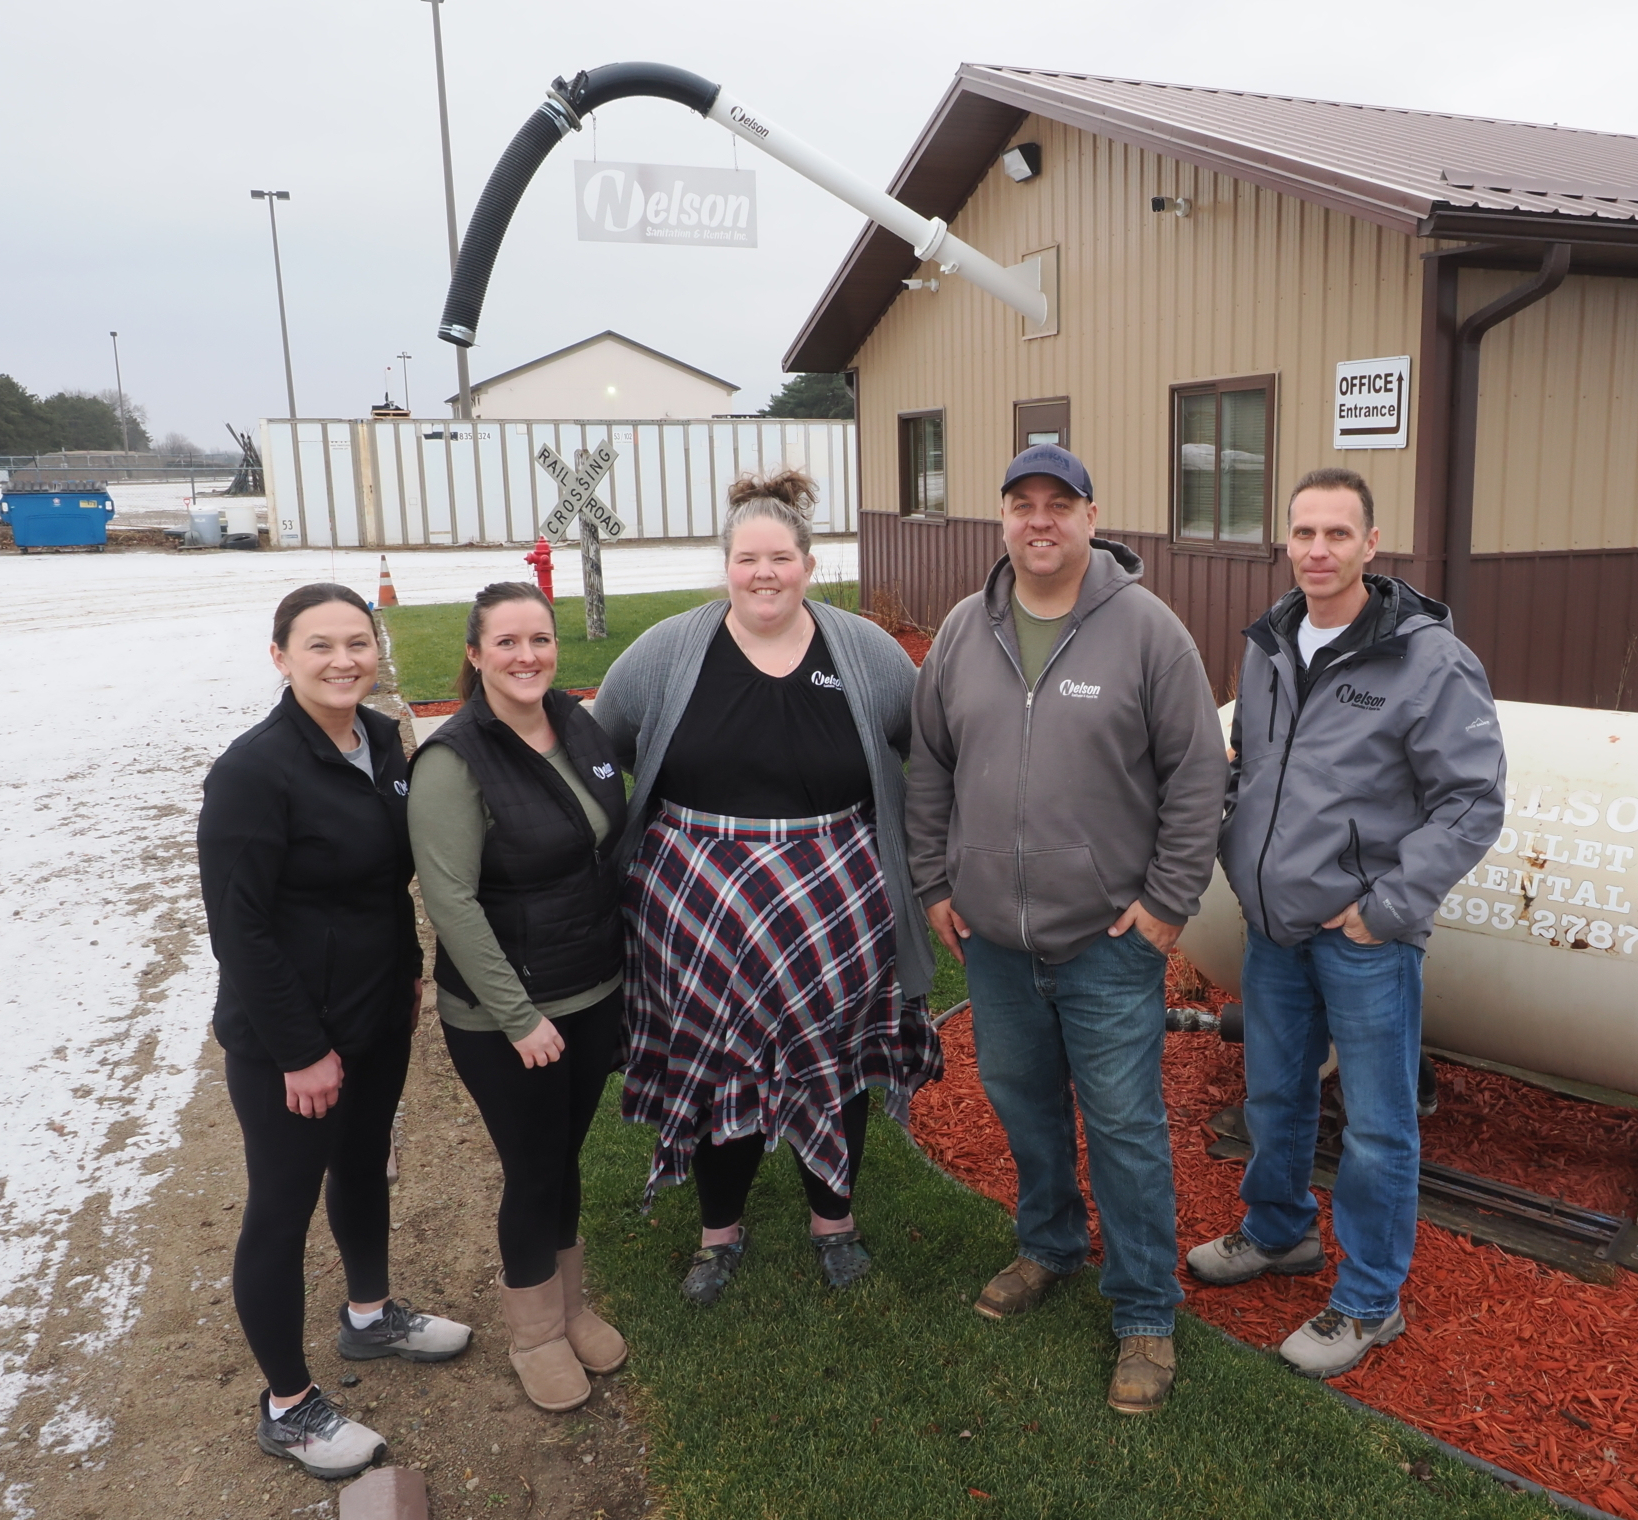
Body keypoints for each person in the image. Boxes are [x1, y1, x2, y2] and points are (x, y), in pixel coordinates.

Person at [905, 444, 1227, 1416]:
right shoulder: (965, 630)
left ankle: (1145, 1310)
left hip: (1107, 943)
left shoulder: (1147, 632)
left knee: (1124, 1127)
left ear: (1091, 516)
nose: (1038, 521)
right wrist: (934, 882)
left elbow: (1197, 777)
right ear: (1001, 519)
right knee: (1025, 1107)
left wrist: (1166, 906)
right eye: (1021, 504)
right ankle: (1048, 1244)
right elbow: (930, 766)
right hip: (994, 943)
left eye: (1058, 504)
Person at [592, 471, 942, 1304]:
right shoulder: (667, 651)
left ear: (808, 565)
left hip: (838, 895)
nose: (763, 574)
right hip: (695, 902)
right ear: (726, 566)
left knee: (834, 1061)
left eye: (780, 558)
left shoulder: (864, 652)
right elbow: (604, 743)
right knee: (717, 1064)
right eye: (747, 559)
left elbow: (924, 746)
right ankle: (718, 1233)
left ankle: (834, 1224)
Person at [1188, 468, 1504, 1377]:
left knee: (1375, 1125)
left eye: (1337, 533)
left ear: (1371, 544)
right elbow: (1252, 764)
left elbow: (1473, 801)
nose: (1318, 550)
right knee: (1274, 1095)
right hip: (1275, 927)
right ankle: (1278, 1231)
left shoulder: (1427, 659)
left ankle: (1370, 1301)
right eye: (1303, 532)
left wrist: (1387, 909)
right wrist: (1236, 849)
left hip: (1364, 938)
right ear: (1285, 541)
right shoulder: (1271, 642)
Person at [198, 583, 470, 1482]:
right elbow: (239, 929)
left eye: (358, 641)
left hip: (375, 1011)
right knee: (282, 1207)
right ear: (280, 656)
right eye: (319, 645)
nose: (344, 660)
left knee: (362, 1165)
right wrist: (300, 1051)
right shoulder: (254, 771)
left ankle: (370, 1316)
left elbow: (389, 881)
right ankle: (288, 1406)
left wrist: (410, 973)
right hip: (290, 1038)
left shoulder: (383, 741)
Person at [408, 581, 629, 1413]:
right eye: (506, 642)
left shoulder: (574, 723)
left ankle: (569, 1308)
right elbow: (451, 901)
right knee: (533, 1169)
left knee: (564, 1158)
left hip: (592, 989)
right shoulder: (453, 760)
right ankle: (534, 1332)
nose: (527, 656)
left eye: (540, 638)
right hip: (508, 1016)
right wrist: (519, 1016)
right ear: (475, 655)